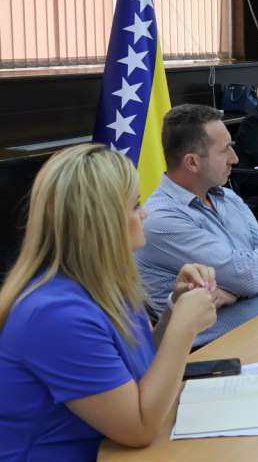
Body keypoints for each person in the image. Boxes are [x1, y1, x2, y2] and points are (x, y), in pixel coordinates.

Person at [0, 144, 217, 459]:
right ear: (101, 222)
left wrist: (175, 308)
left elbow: (141, 370)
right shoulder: (53, 315)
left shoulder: (104, 283)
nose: (145, 213)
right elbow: (138, 428)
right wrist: (184, 329)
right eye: (135, 205)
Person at [136, 104, 258, 347]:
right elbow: (251, 276)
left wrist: (235, 292)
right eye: (225, 150)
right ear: (192, 162)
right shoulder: (162, 220)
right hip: (219, 346)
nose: (235, 158)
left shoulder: (227, 197)